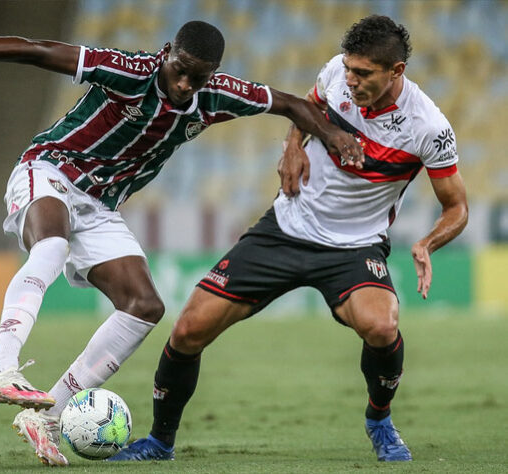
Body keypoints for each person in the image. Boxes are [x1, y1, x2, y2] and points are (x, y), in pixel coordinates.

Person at [0, 19, 364, 466]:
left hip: (99, 205)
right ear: (167, 54)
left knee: (144, 306)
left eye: (197, 79)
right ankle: (1, 369)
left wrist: (332, 136)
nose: (183, 86)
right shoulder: (129, 70)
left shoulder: (216, 95)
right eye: (179, 72)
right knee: (49, 246)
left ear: (211, 75)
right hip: (49, 171)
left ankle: (45, 418)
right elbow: (38, 51)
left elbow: (291, 104)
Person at [109, 15, 468, 463]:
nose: (350, 79)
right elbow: (306, 109)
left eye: (363, 74)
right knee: (187, 331)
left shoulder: (428, 127)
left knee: (382, 326)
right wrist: (293, 146)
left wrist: (427, 243)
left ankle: (379, 419)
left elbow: (457, 207)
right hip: (284, 229)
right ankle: (160, 442)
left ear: (396, 72)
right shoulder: (336, 70)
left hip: (354, 247)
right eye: (349, 69)